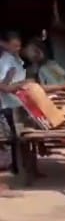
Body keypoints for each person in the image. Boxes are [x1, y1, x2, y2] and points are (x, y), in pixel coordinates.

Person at [0, 31, 27, 187]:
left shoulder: (17, 60)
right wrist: (19, 86)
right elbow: (3, 86)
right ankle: (16, 169)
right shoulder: (5, 61)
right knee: (14, 139)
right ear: (6, 44)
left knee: (21, 139)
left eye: (19, 45)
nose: (18, 48)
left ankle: (24, 168)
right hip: (10, 105)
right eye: (14, 45)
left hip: (19, 103)